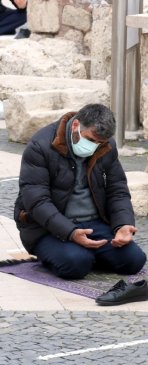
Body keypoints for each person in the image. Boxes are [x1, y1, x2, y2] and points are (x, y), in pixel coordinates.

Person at [14, 104, 147, 280]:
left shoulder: (106, 145)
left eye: (100, 143)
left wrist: (123, 224)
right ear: (76, 125)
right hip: (47, 227)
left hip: (94, 223)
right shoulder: (40, 145)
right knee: (76, 264)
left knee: (134, 261)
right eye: (91, 140)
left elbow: (117, 189)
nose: (94, 146)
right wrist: (71, 232)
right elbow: (37, 202)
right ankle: (75, 254)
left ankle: (88, 253)